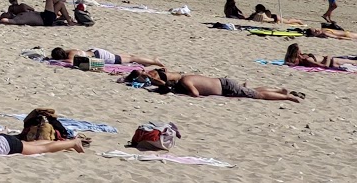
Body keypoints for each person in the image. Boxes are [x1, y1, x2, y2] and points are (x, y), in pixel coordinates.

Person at [128, 68, 303, 102]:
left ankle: (286, 96)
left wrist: (183, 93)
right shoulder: (185, 76)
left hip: (225, 88)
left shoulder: (185, 81)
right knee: (251, 90)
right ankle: (279, 90)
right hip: (224, 83)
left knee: (259, 96)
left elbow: (195, 94)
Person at [48, 45, 164, 67]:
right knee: (129, 56)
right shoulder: (69, 51)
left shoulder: (71, 55)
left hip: (101, 56)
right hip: (95, 51)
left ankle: (155, 61)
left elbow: (68, 62)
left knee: (130, 58)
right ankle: (147, 61)